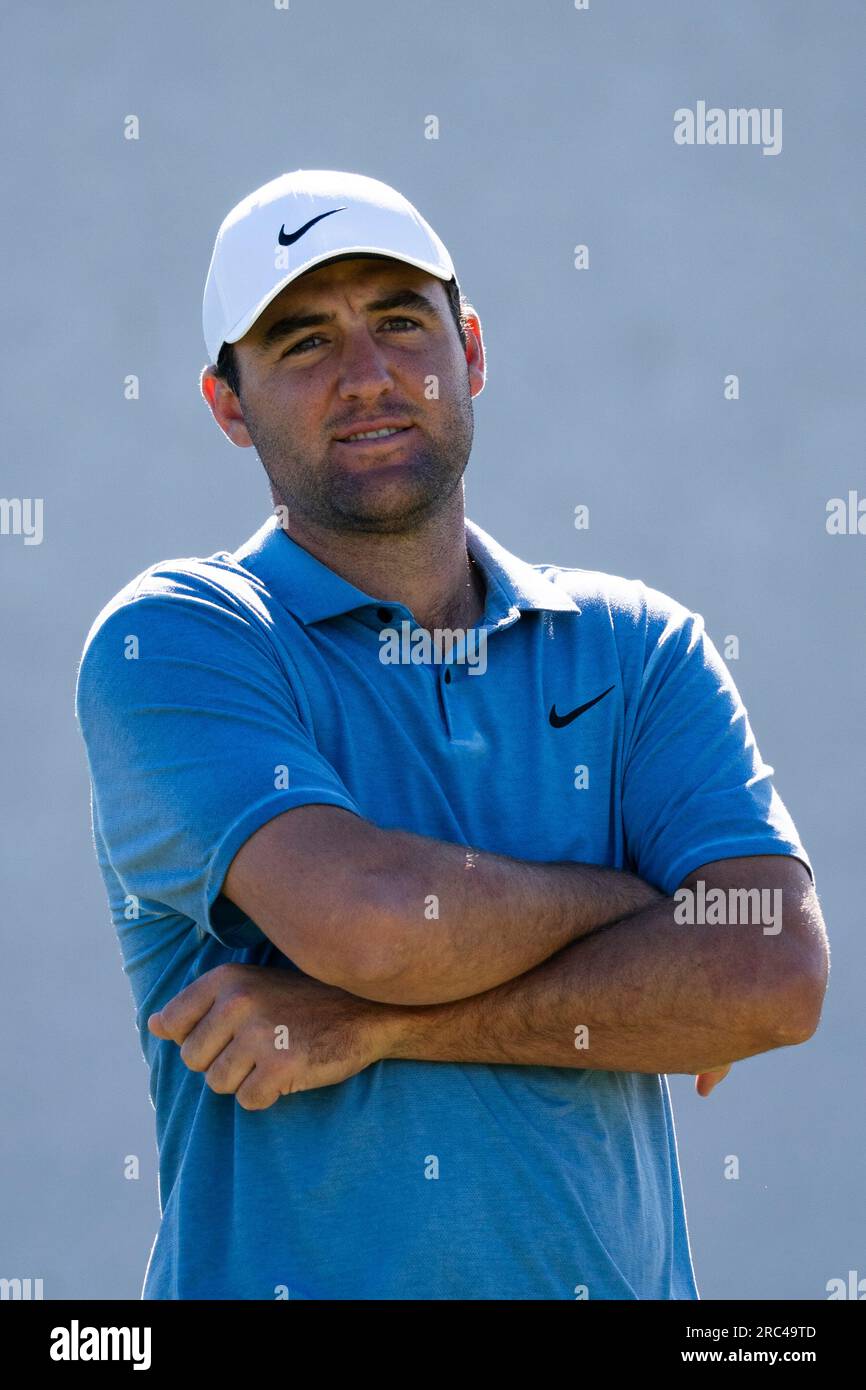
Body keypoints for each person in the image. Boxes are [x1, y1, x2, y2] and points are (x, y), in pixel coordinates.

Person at [75, 169, 828, 1301]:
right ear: (228, 406)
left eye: (397, 322)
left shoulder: (637, 644)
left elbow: (771, 973)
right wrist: (641, 910)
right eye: (301, 342)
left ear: (468, 350)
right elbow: (373, 924)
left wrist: (368, 1029)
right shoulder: (180, 637)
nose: (368, 376)